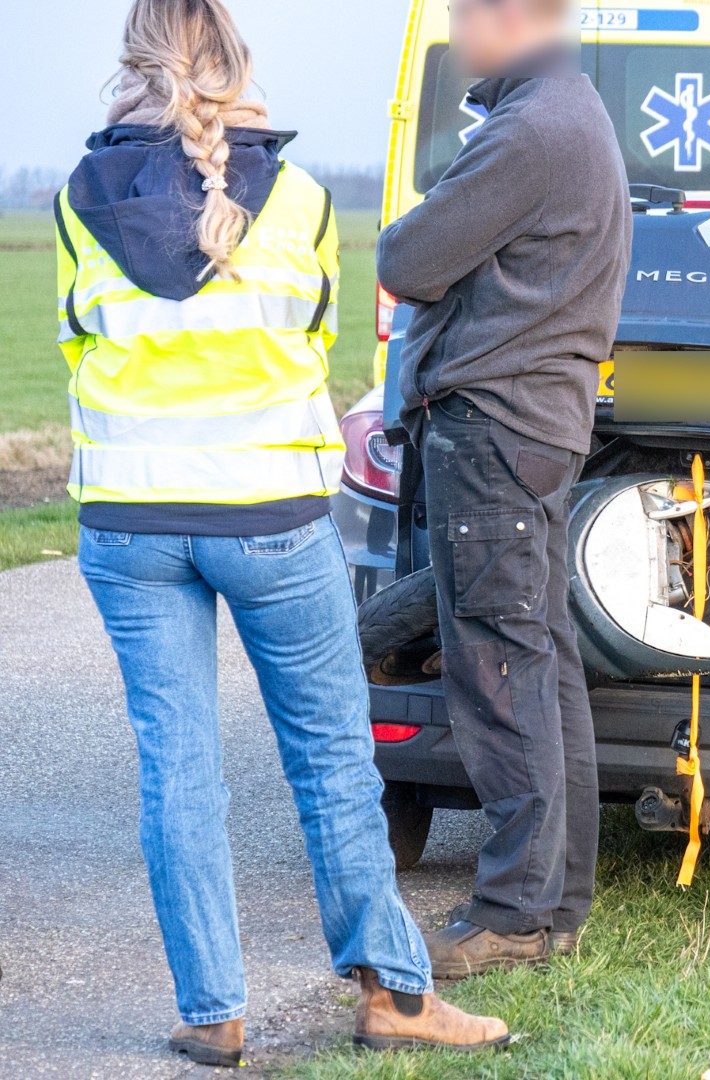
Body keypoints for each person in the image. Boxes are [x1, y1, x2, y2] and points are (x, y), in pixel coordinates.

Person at [58, 0, 509, 1064]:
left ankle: (212, 1011)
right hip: (270, 517)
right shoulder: (300, 200)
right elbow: (312, 342)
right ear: (236, 68)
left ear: (135, 70)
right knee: (327, 763)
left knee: (178, 767)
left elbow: (80, 347)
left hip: (131, 521)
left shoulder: (81, 200)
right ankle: (393, 997)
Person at [376, 0, 631, 978]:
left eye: (460, 14)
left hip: (496, 429)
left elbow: (408, 257)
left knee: (500, 675)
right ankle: (555, 903)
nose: (452, 33)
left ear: (508, 16)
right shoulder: (565, 111)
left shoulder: (529, 130)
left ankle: (515, 912)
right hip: (536, 428)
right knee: (544, 666)